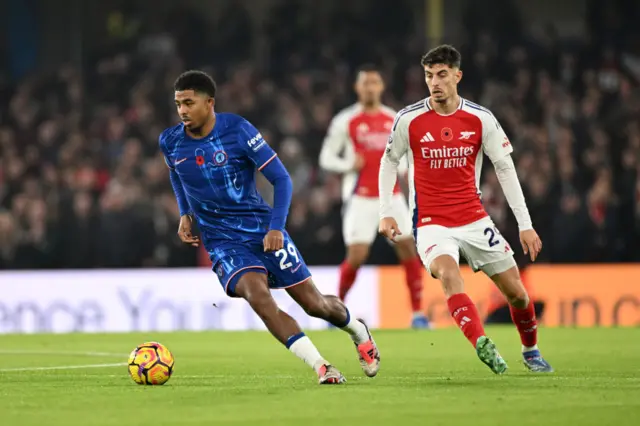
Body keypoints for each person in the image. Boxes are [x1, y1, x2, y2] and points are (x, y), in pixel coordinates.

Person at [160, 70, 380, 384]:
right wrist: (184, 213)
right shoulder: (170, 141)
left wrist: (276, 227)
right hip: (222, 241)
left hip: (262, 229)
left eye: (189, 103)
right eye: (178, 103)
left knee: (314, 304)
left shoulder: (237, 131)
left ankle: (358, 330)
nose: (182, 110)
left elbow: (282, 179)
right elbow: (176, 176)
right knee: (258, 297)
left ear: (209, 103)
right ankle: (322, 366)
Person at [378, 45, 553, 374]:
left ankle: (531, 350)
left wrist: (524, 224)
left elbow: (505, 169)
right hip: (431, 222)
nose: (435, 82)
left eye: (442, 75)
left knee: (517, 294)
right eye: (429, 76)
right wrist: (385, 211)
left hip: (474, 218)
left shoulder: (480, 119)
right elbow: (388, 163)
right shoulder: (409, 119)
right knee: (448, 273)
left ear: (457, 76)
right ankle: (481, 343)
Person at [320, 64, 428, 329]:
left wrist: (406, 173)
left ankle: (418, 313)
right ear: (357, 88)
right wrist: (348, 164)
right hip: (360, 198)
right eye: (365, 83)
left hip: (392, 197)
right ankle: (336, 311)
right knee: (356, 255)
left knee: (408, 249)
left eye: (374, 83)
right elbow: (326, 157)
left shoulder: (393, 119)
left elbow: (405, 157)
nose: (370, 87)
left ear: (381, 87)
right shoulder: (346, 120)